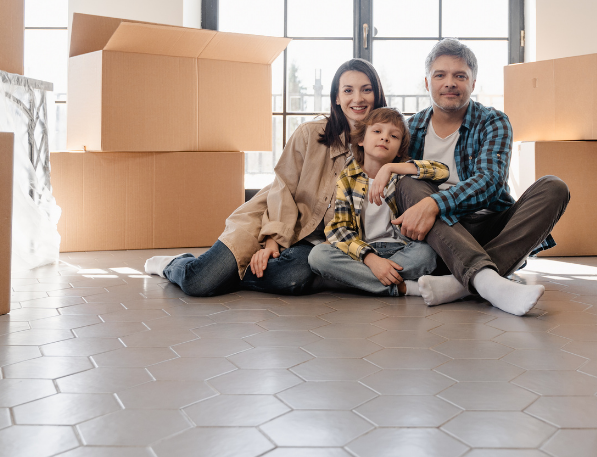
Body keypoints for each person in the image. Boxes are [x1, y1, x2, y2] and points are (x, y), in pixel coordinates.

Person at [143, 59, 387, 297]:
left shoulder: (385, 143)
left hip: (312, 243)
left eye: (366, 90)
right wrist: (272, 241)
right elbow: (283, 188)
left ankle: (229, 274)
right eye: (348, 90)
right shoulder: (309, 134)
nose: (358, 98)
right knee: (198, 282)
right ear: (336, 97)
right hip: (268, 219)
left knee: (293, 278)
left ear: (377, 94)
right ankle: (174, 264)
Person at [392, 38, 570, 316]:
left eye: (460, 75)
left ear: (473, 84)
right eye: (440, 75)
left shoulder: (493, 121)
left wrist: (434, 203)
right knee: (407, 182)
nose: (450, 82)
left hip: (489, 224)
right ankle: (488, 281)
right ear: (427, 83)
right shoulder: (409, 128)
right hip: (439, 234)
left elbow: (490, 182)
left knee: (554, 187)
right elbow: (400, 192)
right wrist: (428, 206)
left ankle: (461, 283)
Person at [308, 107, 448, 297]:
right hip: (363, 251)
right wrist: (371, 259)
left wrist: (391, 168)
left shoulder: (401, 174)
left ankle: (358, 281)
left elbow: (442, 171)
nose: (385, 138)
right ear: (361, 140)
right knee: (318, 256)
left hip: (401, 248)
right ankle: (404, 287)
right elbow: (339, 228)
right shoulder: (347, 177)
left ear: (400, 150)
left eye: (394, 136)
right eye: (377, 131)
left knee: (427, 254)